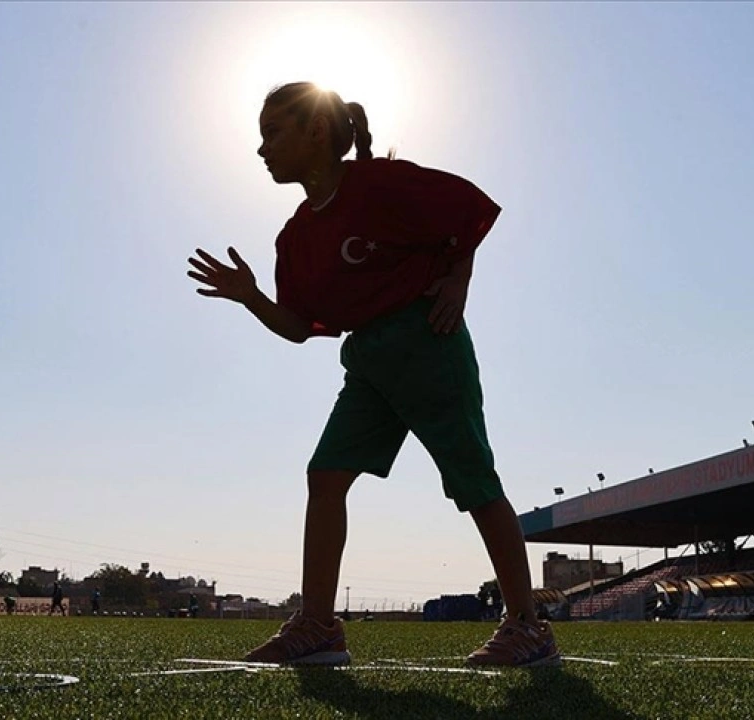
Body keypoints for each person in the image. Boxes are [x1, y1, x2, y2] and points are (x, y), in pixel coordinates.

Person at [187, 82, 560, 668]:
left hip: (427, 342)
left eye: (273, 133)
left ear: (316, 132)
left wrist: (459, 280)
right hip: (368, 363)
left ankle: (528, 626)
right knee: (326, 475)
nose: (262, 150)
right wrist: (250, 296)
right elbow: (298, 327)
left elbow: (469, 210)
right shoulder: (294, 236)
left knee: (475, 486)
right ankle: (318, 626)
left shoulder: (381, 183)